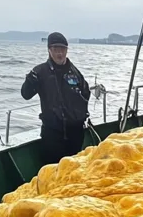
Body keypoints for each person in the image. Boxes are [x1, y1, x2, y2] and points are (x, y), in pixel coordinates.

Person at [21, 33, 91, 164]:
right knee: (53, 170)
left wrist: (80, 116)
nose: (60, 53)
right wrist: (30, 82)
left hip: (75, 132)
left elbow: (86, 93)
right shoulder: (39, 72)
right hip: (52, 133)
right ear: (49, 50)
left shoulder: (74, 72)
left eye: (63, 49)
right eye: (56, 49)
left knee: (74, 169)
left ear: (67, 50)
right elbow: (26, 95)